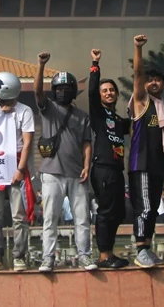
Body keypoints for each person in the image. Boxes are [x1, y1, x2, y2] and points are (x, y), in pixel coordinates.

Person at [34, 52, 96, 272]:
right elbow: (38, 91)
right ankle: (48, 258)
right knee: (50, 218)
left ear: (73, 92)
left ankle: (84, 256)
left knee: (82, 218)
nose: (62, 92)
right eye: (58, 88)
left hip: (77, 173)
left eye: (66, 88)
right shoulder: (48, 109)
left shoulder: (82, 116)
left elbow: (87, 143)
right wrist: (41, 65)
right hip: (51, 172)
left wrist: (87, 166)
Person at [0, 71, 35, 272]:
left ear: (6, 90)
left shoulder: (24, 111)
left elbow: (28, 142)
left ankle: (19, 256)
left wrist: (20, 169)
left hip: (16, 163)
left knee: (19, 215)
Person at [127, 35, 164, 268]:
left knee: (153, 208)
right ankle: (140, 249)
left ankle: (148, 246)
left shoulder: (162, 107)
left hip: (157, 164)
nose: (153, 83)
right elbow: (137, 74)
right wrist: (138, 48)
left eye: (158, 80)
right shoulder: (141, 101)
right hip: (140, 163)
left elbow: (162, 136)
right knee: (143, 206)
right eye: (150, 80)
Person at [86, 49, 130, 269]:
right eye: (105, 91)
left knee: (118, 212)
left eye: (112, 90)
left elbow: (137, 125)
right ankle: (104, 255)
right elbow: (92, 91)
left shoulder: (118, 119)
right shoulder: (98, 113)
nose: (109, 93)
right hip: (102, 168)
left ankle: (110, 252)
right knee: (105, 211)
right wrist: (95, 64)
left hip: (116, 170)